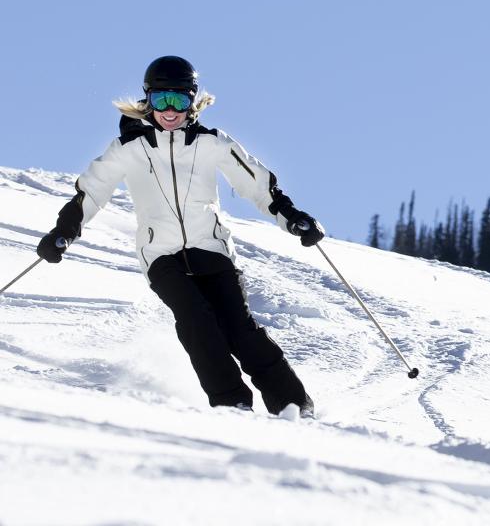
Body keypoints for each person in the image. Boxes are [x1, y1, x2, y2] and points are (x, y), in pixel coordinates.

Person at [37, 56, 323, 416]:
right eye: (161, 100)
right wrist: (64, 232)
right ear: (148, 100)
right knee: (196, 322)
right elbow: (91, 192)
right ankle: (232, 403)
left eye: (179, 101)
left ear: (192, 101)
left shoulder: (212, 143)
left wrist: (294, 218)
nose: (169, 111)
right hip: (161, 255)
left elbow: (259, 186)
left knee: (239, 329)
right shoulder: (128, 148)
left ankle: (293, 404)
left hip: (212, 249)